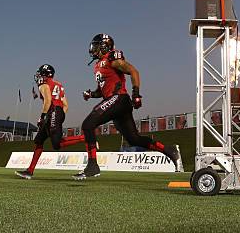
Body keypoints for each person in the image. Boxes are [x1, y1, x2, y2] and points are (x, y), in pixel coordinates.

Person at [74, 33, 180, 180]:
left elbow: (133, 71)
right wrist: (91, 94)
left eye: (96, 45)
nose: (93, 49)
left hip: (119, 99)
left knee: (87, 125)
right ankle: (168, 150)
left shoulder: (112, 58)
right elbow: (101, 91)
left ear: (105, 46)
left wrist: (136, 94)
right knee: (134, 140)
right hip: (115, 102)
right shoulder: (98, 65)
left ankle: (92, 166)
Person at [15, 64, 86, 179]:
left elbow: (47, 101)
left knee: (57, 144)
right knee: (39, 141)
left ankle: (85, 137)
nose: (38, 75)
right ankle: (29, 171)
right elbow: (66, 106)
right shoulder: (58, 85)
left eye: (40, 73)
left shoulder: (44, 84)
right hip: (56, 112)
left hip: (52, 112)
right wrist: (59, 116)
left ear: (44, 74)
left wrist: (43, 117)